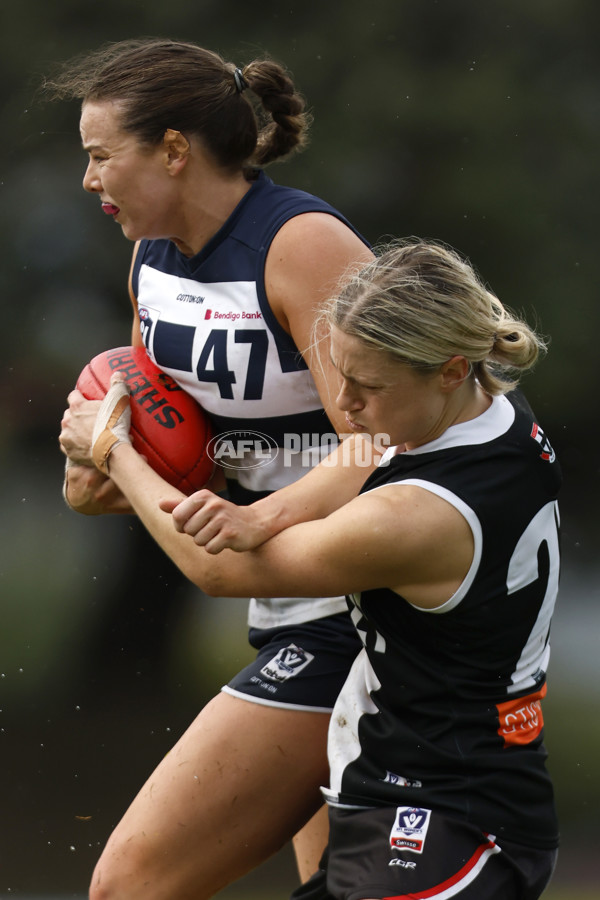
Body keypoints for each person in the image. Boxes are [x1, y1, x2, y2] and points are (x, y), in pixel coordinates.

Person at [61, 239, 561, 900]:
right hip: (405, 795)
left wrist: (112, 447)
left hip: (446, 824)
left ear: (448, 368)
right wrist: (268, 513)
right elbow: (365, 450)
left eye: (369, 386)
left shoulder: (414, 517)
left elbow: (216, 573)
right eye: (339, 374)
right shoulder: (483, 411)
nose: (345, 406)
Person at [47, 38, 374, 900]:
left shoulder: (301, 245)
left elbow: (384, 443)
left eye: (98, 156)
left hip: (363, 606)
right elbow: (211, 450)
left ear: (174, 150)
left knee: (131, 883)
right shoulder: (151, 257)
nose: (89, 181)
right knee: (331, 888)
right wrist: (104, 478)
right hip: (280, 597)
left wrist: (266, 517)